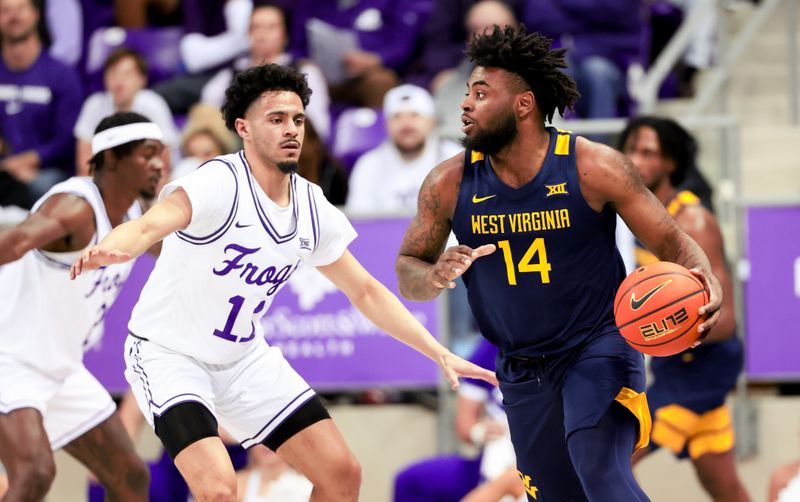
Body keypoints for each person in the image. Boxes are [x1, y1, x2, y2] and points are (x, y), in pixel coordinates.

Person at [70, 63, 496, 502]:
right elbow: (150, 225)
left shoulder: (311, 206)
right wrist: (113, 245)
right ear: (244, 128)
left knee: (341, 472)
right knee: (218, 489)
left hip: (242, 359)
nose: (291, 129)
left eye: (297, 119)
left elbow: (365, 291)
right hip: (169, 355)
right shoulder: (218, 180)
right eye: (276, 119)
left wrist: (438, 352)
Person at [395, 25, 723, 501]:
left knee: (598, 466)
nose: (465, 104)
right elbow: (408, 268)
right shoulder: (447, 183)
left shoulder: (592, 166)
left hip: (598, 345)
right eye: (467, 93)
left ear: (523, 105)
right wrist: (433, 274)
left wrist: (704, 277)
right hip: (521, 366)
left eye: (481, 94)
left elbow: (674, 241)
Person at [0, 111, 165, 501]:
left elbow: (172, 249)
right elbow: (17, 241)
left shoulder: (135, 215)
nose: (158, 163)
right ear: (110, 158)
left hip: (61, 368)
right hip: (10, 359)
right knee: (34, 474)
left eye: (160, 153)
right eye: (147, 154)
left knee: (131, 477)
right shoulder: (76, 206)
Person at [620, 116, 750, 502]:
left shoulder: (693, 220)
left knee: (612, 457)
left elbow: (724, 321)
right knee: (723, 486)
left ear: (671, 162)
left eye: (648, 152)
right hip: (672, 363)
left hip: (705, 365)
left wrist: (661, 323)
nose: (636, 159)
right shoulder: (630, 217)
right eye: (630, 149)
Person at [394, 339, 508, 502]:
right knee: (410, 481)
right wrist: (478, 431)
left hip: (534, 460)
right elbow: (464, 423)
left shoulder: (554, 344)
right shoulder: (493, 343)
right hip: (492, 457)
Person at [201, 3, 331, 142]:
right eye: (256, 27)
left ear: (284, 36)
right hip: (241, 149)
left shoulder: (304, 71)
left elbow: (318, 127)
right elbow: (207, 118)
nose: (262, 34)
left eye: (271, 27)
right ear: (248, 34)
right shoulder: (229, 76)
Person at [0, 0, 83, 200]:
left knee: (43, 185)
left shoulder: (61, 74)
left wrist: (28, 161)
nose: (14, 16)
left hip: (46, 171)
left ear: (36, 14)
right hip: (3, 169)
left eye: (20, 8)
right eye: (5, 10)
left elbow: (67, 139)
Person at [347, 83, 461, 216]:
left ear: (431, 122)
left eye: (415, 115)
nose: (406, 124)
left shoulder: (456, 159)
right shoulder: (367, 165)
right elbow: (361, 221)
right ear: (386, 125)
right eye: (397, 117)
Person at [74, 47, 179, 175]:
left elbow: (163, 165)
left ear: (142, 79)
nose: (119, 81)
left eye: (127, 74)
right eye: (113, 73)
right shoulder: (94, 104)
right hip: (105, 182)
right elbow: (85, 164)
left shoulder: (153, 104)